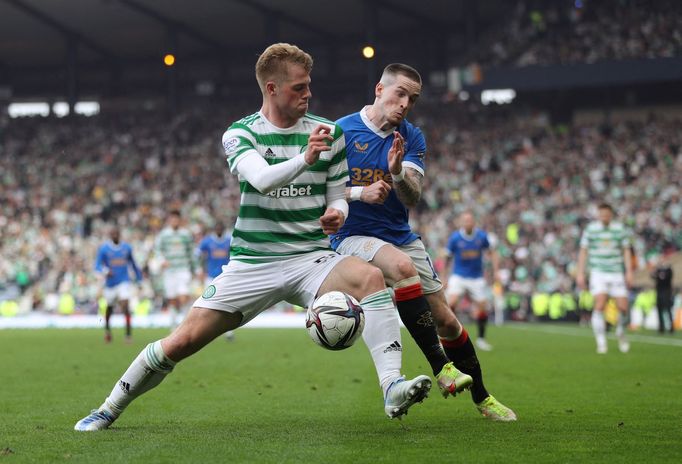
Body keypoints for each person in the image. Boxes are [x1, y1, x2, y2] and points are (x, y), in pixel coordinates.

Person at [75, 43, 431, 431]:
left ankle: (392, 386)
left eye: (309, 85)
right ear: (272, 89)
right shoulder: (240, 133)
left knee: (372, 278)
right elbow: (260, 179)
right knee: (182, 341)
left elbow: (336, 195)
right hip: (253, 262)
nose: (307, 94)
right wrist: (304, 159)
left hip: (309, 258)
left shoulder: (330, 133)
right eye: (298, 87)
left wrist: (337, 212)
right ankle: (109, 407)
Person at [330, 63, 516, 421]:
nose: (405, 104)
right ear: (379, 90)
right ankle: (441, 368)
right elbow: (324, 189)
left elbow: (412, 196)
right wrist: (359, 192)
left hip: (399, 235)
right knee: (401, 268)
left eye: (412, 99)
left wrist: (397, 170)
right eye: (400, 93)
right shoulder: (342, 130)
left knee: (446, 320)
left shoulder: (411, 137)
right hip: (352, 236)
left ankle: (482, 397)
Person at [576, 203, 633, 354]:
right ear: (598, 215)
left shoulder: (619, 229)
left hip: (616, 271)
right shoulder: (591, 229)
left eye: (606, 215)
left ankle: (620, 332)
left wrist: (629, 271)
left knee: (623, 307)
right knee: (600, 305)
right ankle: (601, 342)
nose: (604, 218)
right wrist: (580, 273)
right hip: (598, 271)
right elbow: (583, 251)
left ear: (611, 215)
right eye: (601, 215)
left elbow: (626, 251)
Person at [443, 211, 501, 352]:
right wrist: (443, 276)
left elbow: (492, 252)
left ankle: (481, 339)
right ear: (462, 223)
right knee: (451, 304)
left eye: (470, 220)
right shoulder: (455, 238)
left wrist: (496, 270)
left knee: (483, 307)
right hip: (459, 276)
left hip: (476, 277)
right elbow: (446, 257)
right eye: (465, 220)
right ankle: (449, 337)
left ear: (474, 222)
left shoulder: (481, 236)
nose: (467, 223)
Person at [94, 227, 143, 343]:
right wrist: (106, 271)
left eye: (117, 233)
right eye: (113, 233)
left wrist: (139, 279)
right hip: (110, 284)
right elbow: (97, 265)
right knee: (109, 308)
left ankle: (128, 335)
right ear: (110, 235)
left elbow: (133, 264)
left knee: (125, 305)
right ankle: (107, 331)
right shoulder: (104, 249)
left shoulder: (127, 248)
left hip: (124, 281)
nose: (115, 235)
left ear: (119, 234)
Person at [154, 210, 195, 328]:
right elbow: (157, 250)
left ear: (180, 220)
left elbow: (191, 252)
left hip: (183, 269)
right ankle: (173, 325)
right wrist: (162, 260)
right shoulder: (163, 235)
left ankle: (185, 325)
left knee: (183, 296)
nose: (174, 221)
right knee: (172, 299)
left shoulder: (186, 234)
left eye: (176, 219)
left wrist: (196, 269)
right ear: (169, 220)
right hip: (170, 271)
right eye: (172, 219)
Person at [196, 221, 234, 340]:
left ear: (223, 229)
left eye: (220, 228)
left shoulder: (229, 241)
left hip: (225, 276)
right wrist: (200, 269)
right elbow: (197, 254)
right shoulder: (207, 241)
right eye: (217, 228)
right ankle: (207, 329)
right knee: (208, 303)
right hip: (210, 276)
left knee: (228, 303)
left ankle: (229, 332)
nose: (218, 230)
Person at [651, 255, 674, 334]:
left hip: (667, 292)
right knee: (659, 310)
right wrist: (656, 269)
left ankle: (671, 327)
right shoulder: (658, 270)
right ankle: (661, 327)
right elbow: (652, 276)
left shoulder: (668, 270)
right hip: (659, 292)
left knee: (668, 310)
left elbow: (666, 278)